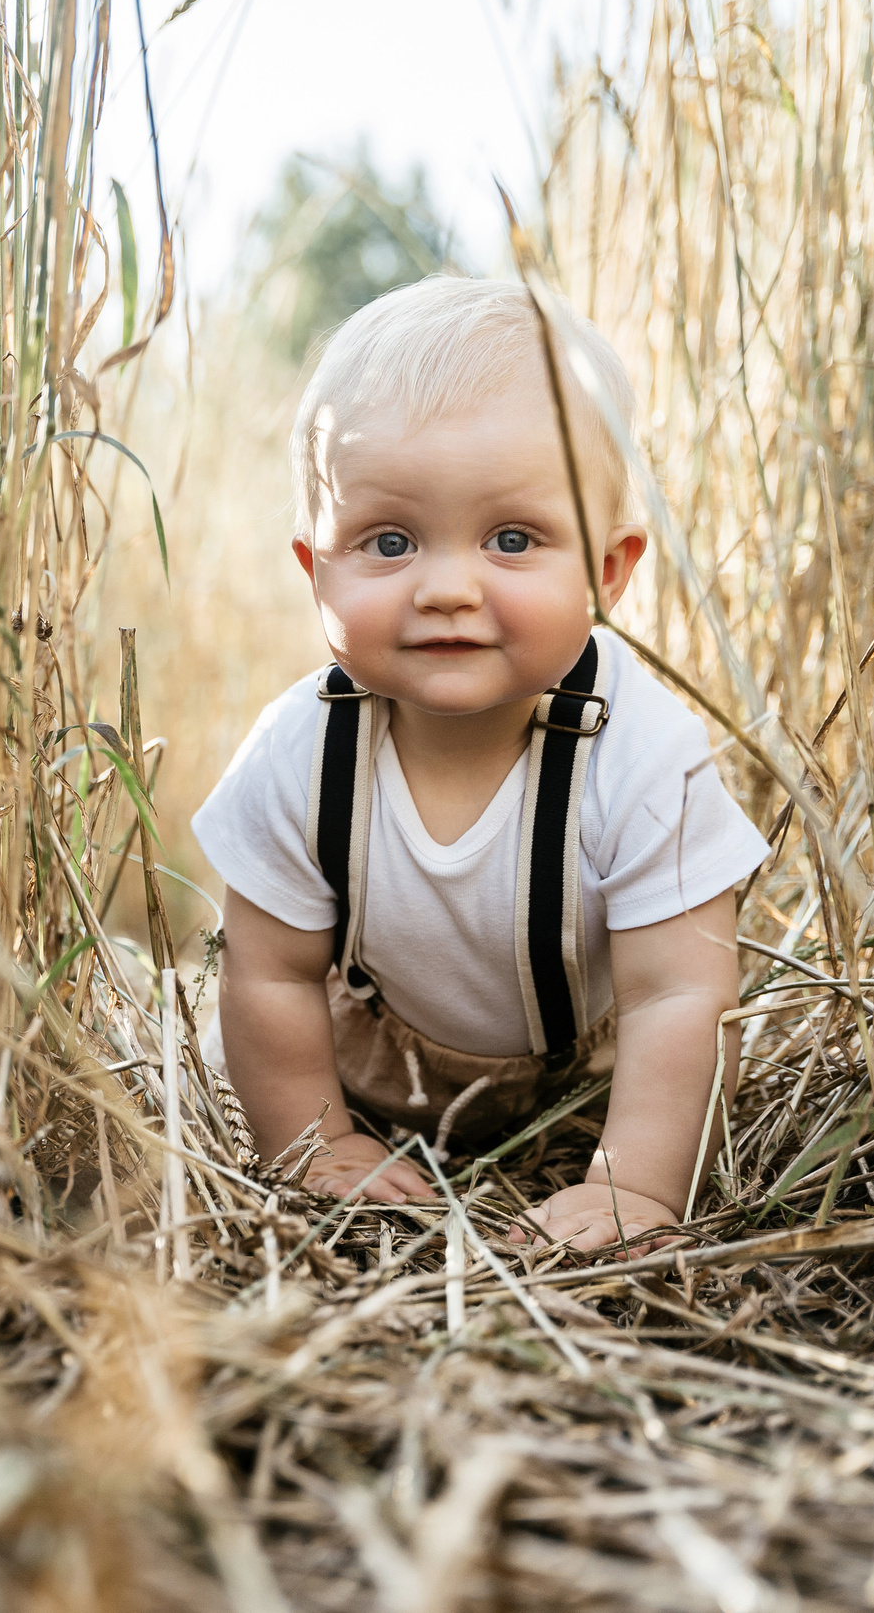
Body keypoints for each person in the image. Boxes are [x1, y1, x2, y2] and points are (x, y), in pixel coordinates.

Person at [193, 276, 768, 1251]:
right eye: (388, 541)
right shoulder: (297, 757)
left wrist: (638, 1185)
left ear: (609, 570)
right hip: (376, 1072)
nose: (448, 588)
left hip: (595, 1083)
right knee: (249, 1043)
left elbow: (680, 992)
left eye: (511, 539)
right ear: (314, 570)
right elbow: (270, 978)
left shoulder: (641, 753)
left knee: (667, 1044)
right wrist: (319, 1141)